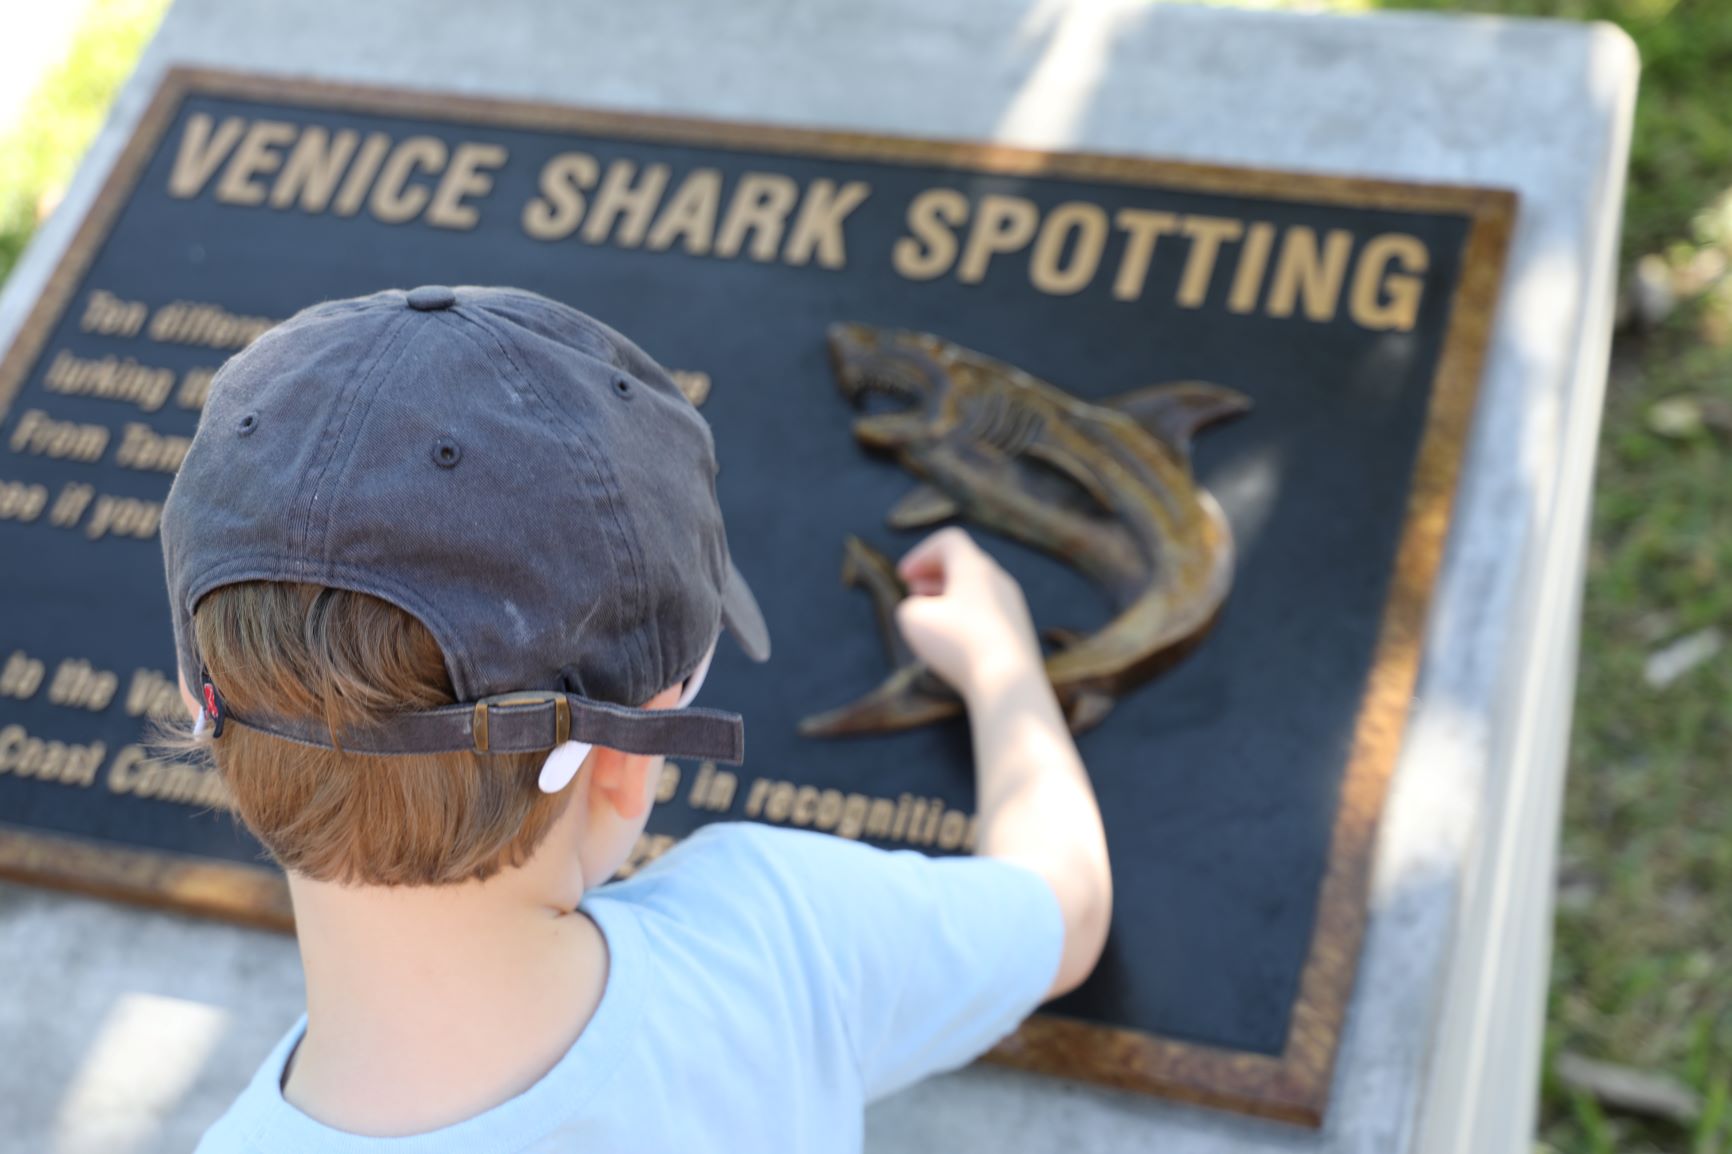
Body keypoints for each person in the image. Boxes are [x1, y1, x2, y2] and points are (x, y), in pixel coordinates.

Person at [165, 285, 1112, 1153]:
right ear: (620, 757)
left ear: (202, 711)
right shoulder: (781, 937)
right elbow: (1065, 914)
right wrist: (1003, 669)